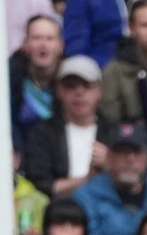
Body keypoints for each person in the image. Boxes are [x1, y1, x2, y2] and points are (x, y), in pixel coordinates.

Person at [23, 55, 110, 198]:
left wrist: (111, 164)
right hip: (57, 211)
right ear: (59, 91)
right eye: (71, 85)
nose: (79, 92)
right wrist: (87, 180)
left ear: (99, 91)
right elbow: (40, 184)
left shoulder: (114, 132)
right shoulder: (42, 132)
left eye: (87, 85)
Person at [10, 13, 63, 142]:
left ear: (60, 45)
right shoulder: (8, 79)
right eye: (36, 38)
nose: (43, 44)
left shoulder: (71, 79)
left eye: (50, 38)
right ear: (25, 44)